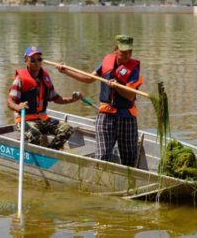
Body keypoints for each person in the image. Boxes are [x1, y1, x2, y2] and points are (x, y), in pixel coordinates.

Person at [56, 35, 143, 166]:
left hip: (127, 117)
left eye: (129, 52)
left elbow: (130, 96)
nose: (127, 55)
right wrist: (66, 71)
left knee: (129, 158)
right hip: (106, 116)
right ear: (115, 49)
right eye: (123, 52)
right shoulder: (107, 62)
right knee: (102, 156)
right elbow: (88, 79)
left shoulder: (133, 70)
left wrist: (117, 86)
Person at [7, 46, 83, 150]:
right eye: (33, 60)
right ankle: (38, 155)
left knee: (67, 129)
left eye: (39, 59)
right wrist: (18, 107)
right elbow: (10, 101)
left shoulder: (45, 77)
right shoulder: (20, 79)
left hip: (43, 119)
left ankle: (51, 152)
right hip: (25, 121)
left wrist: (72, 99)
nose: (36, 62)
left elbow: (56, 98)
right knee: (35, 135)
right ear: (26, 61)